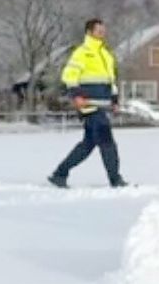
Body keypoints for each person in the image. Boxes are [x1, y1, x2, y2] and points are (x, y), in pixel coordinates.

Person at [48, 18, 128, 188]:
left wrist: (114, 99)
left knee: (88, 145)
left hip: (102, 105)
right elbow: (69, 76)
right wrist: (76, 95)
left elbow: (110, 81)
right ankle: (115, 180)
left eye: (103, 30)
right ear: (89, 32)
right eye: (99, 31)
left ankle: (59, 174)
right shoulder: (81, 53)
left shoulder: (106, 55)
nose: (102, 33)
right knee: (107, 142)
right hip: (89, 106)